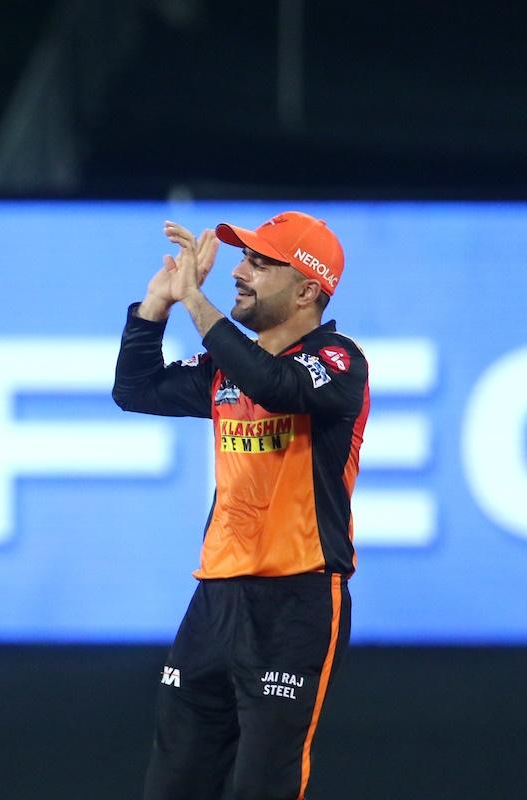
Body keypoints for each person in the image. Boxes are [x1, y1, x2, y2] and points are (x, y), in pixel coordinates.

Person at [112, 212, 369, 800]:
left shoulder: (338, 360)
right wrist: (158, 305)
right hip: (215, 599)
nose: (239, 270)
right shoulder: (228, 367)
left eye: (260, 262)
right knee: (172, 784)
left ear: (308, 290)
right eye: (244, 257)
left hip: (296, 603)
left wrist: (198, 304)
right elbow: (135, 389)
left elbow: (275, 386)